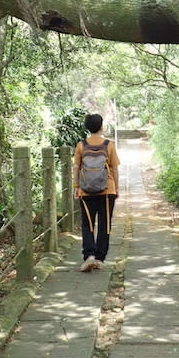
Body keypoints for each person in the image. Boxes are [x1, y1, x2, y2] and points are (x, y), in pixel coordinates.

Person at [73, 113, 120, 272]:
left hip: (86, 191)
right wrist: (117, 188)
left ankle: (89, 256)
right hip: (107, 190)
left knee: (87, 224)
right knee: (104, 224)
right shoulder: (109, 145)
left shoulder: (81, 145)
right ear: (101, 127)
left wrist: (76, 187)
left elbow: (76, 167)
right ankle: (100, 258)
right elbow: (114, 168)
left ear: (87, 127)